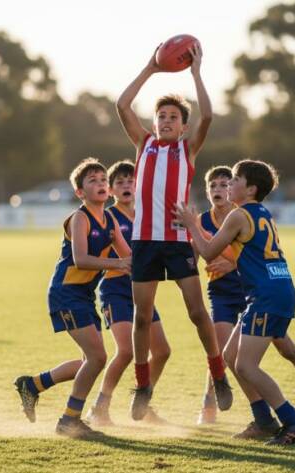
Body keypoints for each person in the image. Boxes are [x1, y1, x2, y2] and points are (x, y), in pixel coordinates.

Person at [116, 41, 232, 420]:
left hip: (179, 240)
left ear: (183, 126)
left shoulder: (188, 151)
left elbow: (209, 116)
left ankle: (218, 376)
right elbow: (121, 105)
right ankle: (143, 385)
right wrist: (151, 68)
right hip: (146, 242)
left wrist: (196, 73)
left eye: (172, 118)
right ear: (154, 123)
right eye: (160, 116)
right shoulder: (143, 143)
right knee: (142, 318)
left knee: (198, 313)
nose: (165, 121)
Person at [175, 159, 295, 446]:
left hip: (267, 295)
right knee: (230, 357)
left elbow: (209, 251)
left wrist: (191, 224)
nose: (229, 184)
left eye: (235, 179)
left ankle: (293, 422)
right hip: (274, 290)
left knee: (247, 366)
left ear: (250, 189)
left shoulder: (238, 216)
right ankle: (263, 420)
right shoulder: (261, 212)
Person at [14, 158, 132, 438]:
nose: (101, 184)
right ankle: (69, 419)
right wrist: (118, 265)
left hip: (84, 296)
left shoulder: (111, 220)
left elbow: (130, 256)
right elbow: (80, 260)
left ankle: (33, 385)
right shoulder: (80, 217)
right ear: (80, 192)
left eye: (103, 180)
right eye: (93, 181)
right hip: (65, 294)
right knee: (97, 358)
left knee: (88, 362)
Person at [87, 160, 172, 426]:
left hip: (142, 290)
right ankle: (99, 407)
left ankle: (143, 401)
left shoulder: (147, 215)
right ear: (111, 190)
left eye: (130, 181)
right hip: (115, 289)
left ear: (139, 186)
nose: (126, 186)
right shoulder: (109, 216)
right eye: (120, 182)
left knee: (161, 351)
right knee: (125, 351)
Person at [196, 166, 246, 424]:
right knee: (220, 351)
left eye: (224, 185)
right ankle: (209, 403)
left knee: (284, 347)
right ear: (207, 192)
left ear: (233, 189)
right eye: (213, 185)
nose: (218, 190)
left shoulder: (241, 216)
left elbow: (255, 254)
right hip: (220, 291)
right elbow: (192, 256)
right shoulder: (201, 221)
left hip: (249, 290)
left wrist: (233, 264)